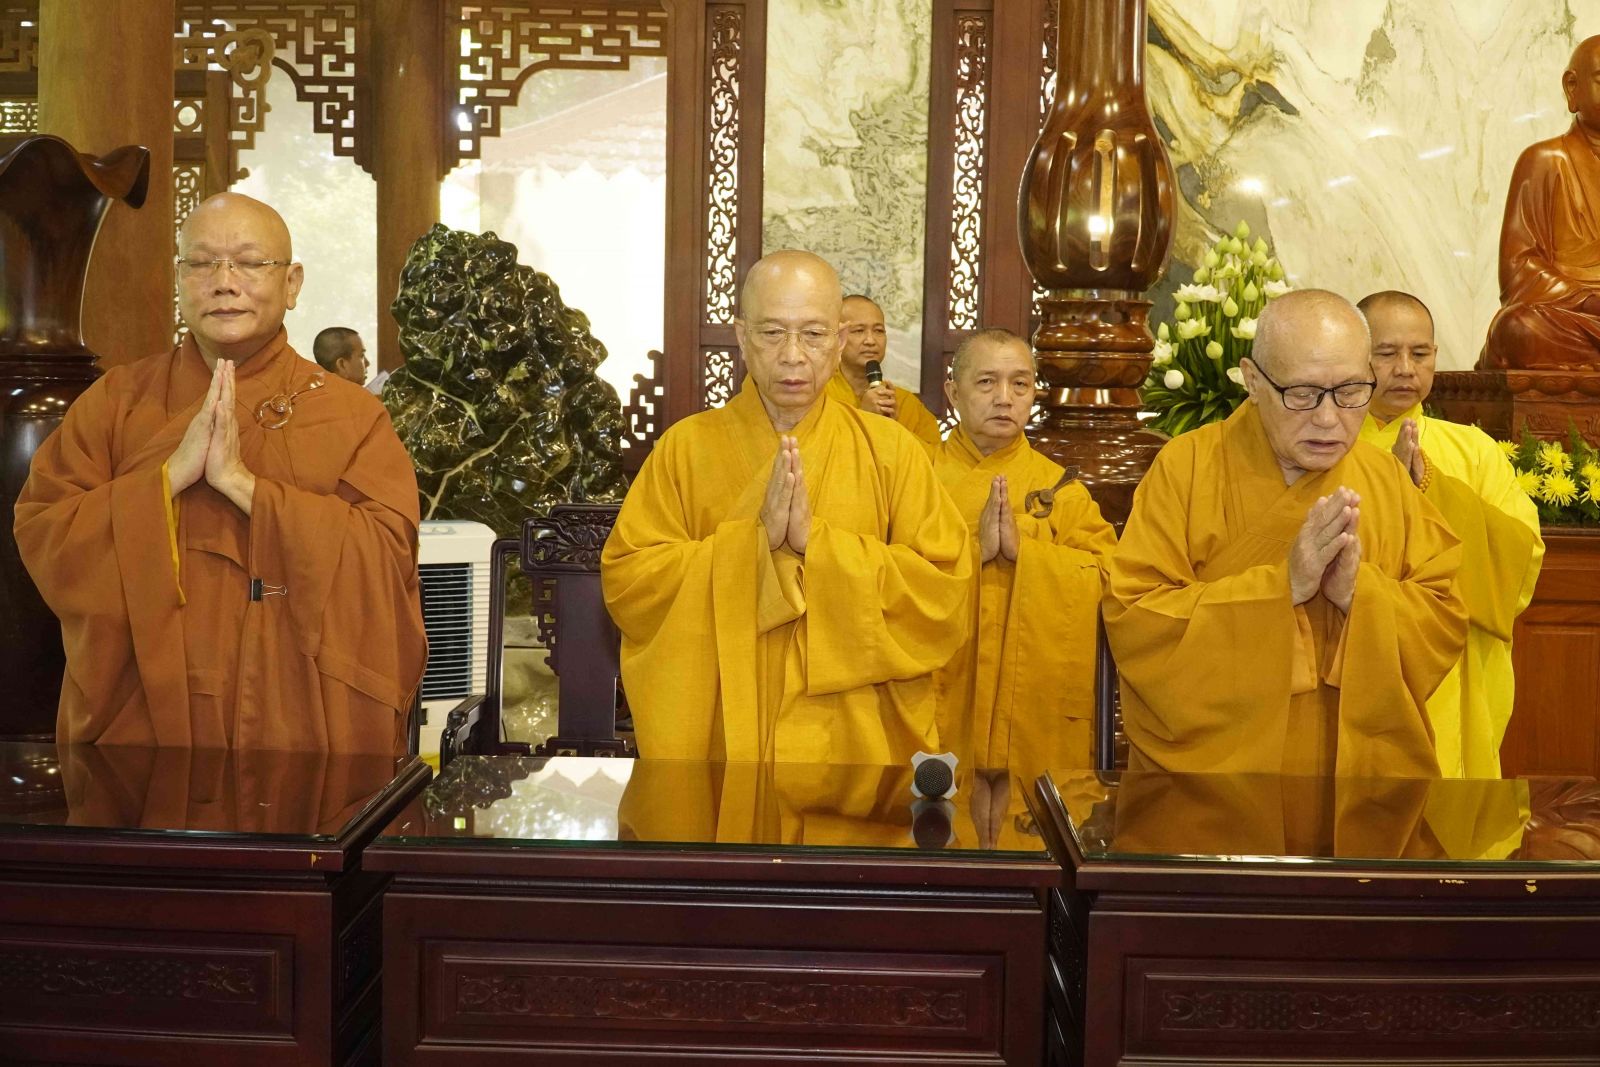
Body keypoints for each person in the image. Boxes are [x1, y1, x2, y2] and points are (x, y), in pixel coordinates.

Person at [14, 192, 426, 754]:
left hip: (297, 721)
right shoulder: (116, 401)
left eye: (250, 263)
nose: (224, 282)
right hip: (141, 716)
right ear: (179, 279)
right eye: (203, 263)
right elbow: (46, 534)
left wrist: (243, 485)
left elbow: (386, 560)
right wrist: (166, 478)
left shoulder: (353, 415)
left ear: (292, 283)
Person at [601, 251, 972, 763]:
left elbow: (942, 590)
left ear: (838, 342)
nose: (793, 355)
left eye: (814, 335)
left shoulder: (892, 450)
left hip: (852, 744)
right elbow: (631, 582)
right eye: (772, 333)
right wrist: (750, 546)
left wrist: (817, 546)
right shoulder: (684, 449)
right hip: (720, 738)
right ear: (741, 336)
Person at [1105, 289, 1468, 778]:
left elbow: (1444, 617)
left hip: (1356, 779)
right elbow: (1136, 618)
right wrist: (1282, 587)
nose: (1328, 418)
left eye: (1350, 392)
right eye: (1301, 394)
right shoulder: (1187, 468)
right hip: (1216, 785)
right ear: (1253, 380)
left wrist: (1358, 594)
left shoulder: (1384, 479)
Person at [1358, 291, 1544, 778]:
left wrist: (1430, 489)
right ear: (1354, 355)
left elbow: (1521, 560)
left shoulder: (1474, 450)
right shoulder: (1324, 444)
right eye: (1386, 353)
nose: (1405, 369)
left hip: (1450, 670)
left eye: (1420, 353)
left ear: (1436, 356)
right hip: (1354, 662)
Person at [932, 328, 1116, 771]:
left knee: (1030, 807)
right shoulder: (916, 475)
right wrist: (973, 552)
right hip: (939, 687)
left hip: (1035, 701)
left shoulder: (1061, 488)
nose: (1005, 398)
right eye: (986, 382)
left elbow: (1113, 580)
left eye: (1020, 384)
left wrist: (1027, 553)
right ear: (953, 393)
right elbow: (884, 574)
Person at [1483, 36, 1600, 368]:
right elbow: (1519, 268)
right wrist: (1588, 301)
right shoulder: (1544, 160)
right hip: (1576, 314)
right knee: (1518, 328)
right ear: (1572, 87)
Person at [825, 294, 943, 444]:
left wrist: (892, 429)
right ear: (838, 338)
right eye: (859, 331)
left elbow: (930, 455)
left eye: (879, 331)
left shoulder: (906, 404)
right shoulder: (818, 396)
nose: (870, 340)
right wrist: (864, 418)